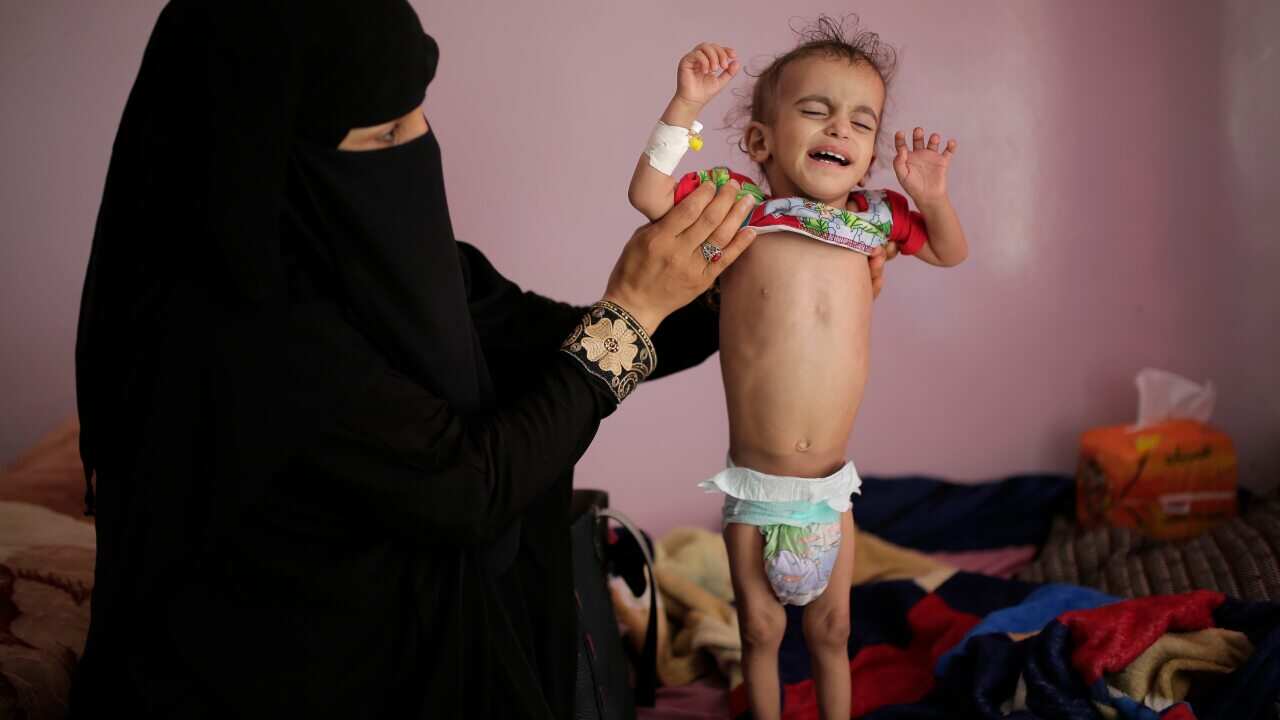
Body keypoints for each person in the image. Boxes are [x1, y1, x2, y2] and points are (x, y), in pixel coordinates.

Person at [626, 18, 968, 719]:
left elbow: (948, 250)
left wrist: (931, 195)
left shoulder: (874, 221)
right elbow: (650, 197)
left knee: (833, 632)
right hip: (757, 487)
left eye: (859, 121)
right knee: (760, 631)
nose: (838, 128)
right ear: (760, 140)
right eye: (815, 110)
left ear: (870, 153)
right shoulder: (740, 212)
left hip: (831, 494)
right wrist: (685, 103)